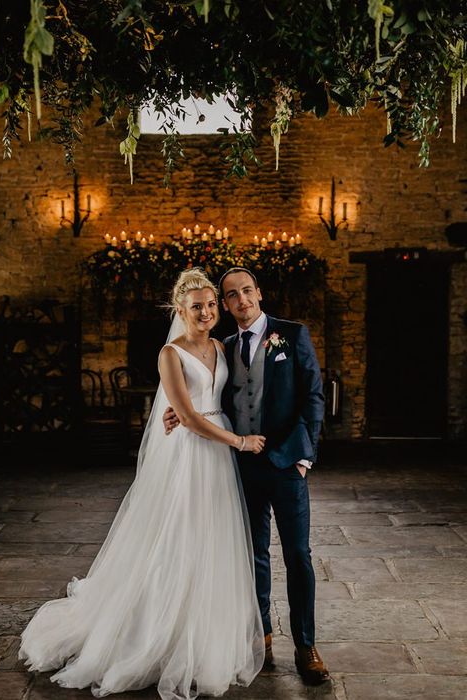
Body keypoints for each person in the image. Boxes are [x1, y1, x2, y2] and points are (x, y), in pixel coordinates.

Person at [19, 268, 266, 699]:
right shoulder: (170, 353)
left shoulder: (222, 348)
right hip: (190, 452)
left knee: (212, 537)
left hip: (216, 458)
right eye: (197, 307)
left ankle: (205, 631)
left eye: (211, 305)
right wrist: (238, 440)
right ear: (180, 310)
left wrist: (208, 422)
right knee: (177, 536)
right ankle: (157, 632)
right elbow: (187, 416)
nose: (206, 312)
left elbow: (217, 398)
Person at [163, 267, 328, 685]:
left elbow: (313, 395)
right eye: (231, 295)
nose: (241, 300)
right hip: (240, 465)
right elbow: (213, 397)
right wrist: (179, 414)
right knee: (252, 554)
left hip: (288, 464)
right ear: (226, 304)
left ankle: (306, 645)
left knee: (298, 556)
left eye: (246, 291)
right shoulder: (224, 346)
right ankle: (262, 638)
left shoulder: (291, 334)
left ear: (259, 292)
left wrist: (304, 456)